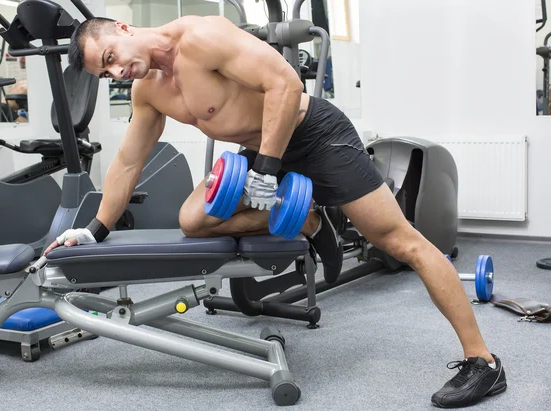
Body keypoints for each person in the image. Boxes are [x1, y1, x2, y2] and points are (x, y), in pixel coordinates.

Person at [44, 15, 507, 408]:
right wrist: (94, 231)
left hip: (313, 134)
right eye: (107, 75)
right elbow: (128, 161)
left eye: (110, 59)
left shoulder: (203, 37)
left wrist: (266, 169)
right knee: (192, 220)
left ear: (122, 29)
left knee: (400, 242)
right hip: (261, 152)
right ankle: (307, 217)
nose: (118, 72)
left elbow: (284, 82)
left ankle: (483, 361)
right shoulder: (149, 92)